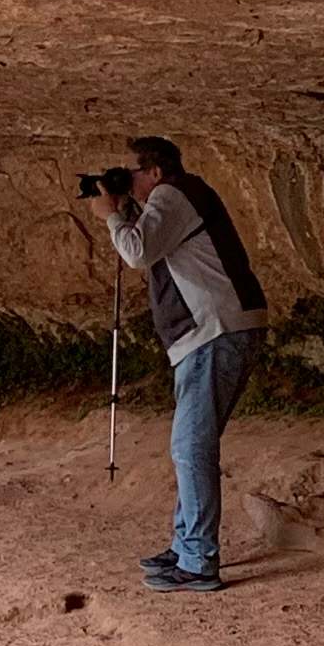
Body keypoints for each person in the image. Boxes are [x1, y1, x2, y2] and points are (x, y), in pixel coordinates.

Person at [89, 137, 267, 590]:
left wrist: (109, 214)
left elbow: (137, 252)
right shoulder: (180, 198)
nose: (124, 179)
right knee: (192, 444)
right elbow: (153, 241)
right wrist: (126, 209)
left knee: (191, 447)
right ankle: (186, 542)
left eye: (130, 172)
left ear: (153, 172)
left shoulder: (174, 193)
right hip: (213, 332)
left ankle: (199, 560)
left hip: (216, 331)